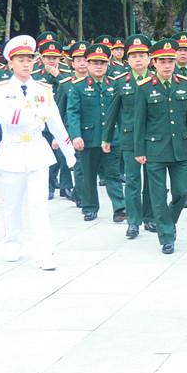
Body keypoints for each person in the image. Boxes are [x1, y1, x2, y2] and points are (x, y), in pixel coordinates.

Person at [0, 35, 77, 271]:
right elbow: (4, 116)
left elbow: (56, 121)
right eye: (20, 60)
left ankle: (44, 251)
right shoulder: (0, 89)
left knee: (39, 205)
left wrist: (68, 150)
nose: (26, 64)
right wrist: (34, 112)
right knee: (13, 203)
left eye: (29, 59)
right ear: (10, 63)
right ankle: (12, 243)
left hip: (37, 150)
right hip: (12, 150)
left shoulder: (43, 89)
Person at [133, 38, 187, 254]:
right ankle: (166, 237)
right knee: (157, 195)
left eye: (170, 61)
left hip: (181, 148)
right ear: (154, 63)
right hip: (154, 150)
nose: (167, 65)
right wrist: (139, 151)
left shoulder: (185, 84)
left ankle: (168, 223)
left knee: (182, 192)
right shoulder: (144, 88)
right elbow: (139, 122)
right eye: (162, 61)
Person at [103, 34, 156, 239]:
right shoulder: (120, 82)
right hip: (130, 138)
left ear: (149, 58)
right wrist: (107, 138)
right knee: (133, 181)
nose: (138, 60)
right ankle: (133, 221)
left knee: (152, 180)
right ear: (127, 59)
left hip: (153, 139)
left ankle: (150, 217)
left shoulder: (156, 80)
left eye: (142, 55)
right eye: (134, 56)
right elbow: (112, 112)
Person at [66, 43, 126, 223]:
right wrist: (75, 135)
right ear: (88, 64)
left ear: (108, 64)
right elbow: (73, 112)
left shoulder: (114, 84)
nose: (98, 66)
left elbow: (122, 112)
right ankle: (90, 207)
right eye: (94, 63)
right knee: (88, 174)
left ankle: (119, 208)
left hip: (111, 138)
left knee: (113, 174)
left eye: (102, 63)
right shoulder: (78, 86)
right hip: (88, 138)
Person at [35, 40, 74, 200]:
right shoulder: (34, 74)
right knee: (47, 155)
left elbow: (71, 91)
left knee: (65, 156)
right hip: (42, 120)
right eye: (48, 57)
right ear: (42, 58)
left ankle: (66, 187)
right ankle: (49, 185)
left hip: (61, 119)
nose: (51, 60)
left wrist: (58, 75)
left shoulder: (66, 73)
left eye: (55, 57)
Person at [56, 40, 89, 206]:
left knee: (89, 167)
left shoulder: (100, 82)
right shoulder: (65, 85)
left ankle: (78, 192)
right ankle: (82, 197)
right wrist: (57, 135)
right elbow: (58, 112)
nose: (82, 64)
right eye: (78, 60)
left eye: (85, 60)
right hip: (73, 130)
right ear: (72, 63)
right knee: (78, 165)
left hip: (93, 130)